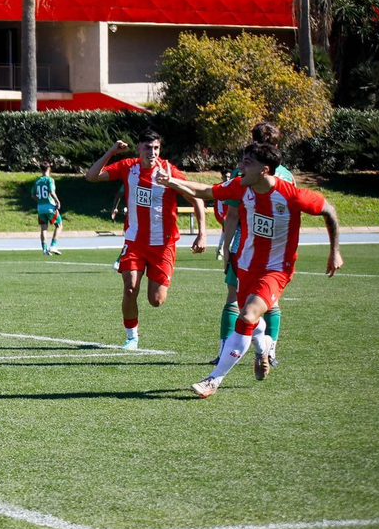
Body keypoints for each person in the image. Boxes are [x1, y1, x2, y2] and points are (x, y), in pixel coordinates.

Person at [156, 141, 342, 397]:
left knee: (246, 317)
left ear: (265, 170)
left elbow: (329, 211)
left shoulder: (292, 196)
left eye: (247, 163)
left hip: (276, 270)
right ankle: (262, 350)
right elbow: (207, 191)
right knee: (252, 322)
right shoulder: (243, 186)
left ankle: (213, 380)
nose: (240, 166)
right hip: (246, 264)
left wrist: (335, 252)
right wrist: (171, 183)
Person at [84, 131, 206, 349]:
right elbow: (91, 176)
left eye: (156, 148)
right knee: (130, 288)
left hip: (163, 244)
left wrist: (202, 233)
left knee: (156, 300)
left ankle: (153, 291)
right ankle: (132, 337)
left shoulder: (169, 171)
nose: (152, 152)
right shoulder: (128, 167)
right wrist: (112, 151)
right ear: (139, 148)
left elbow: (196, 198)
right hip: (135, 241)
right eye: (148, 147)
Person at [213, 122, 292, 363]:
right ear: (276, 147)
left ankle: (224, 352)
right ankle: (271, 350)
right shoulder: (287, 175)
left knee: (233, 297)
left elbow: (233, 214)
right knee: (271, 300)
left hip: (246, 243)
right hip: (276, 247)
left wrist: (226, 247)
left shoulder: (243, 174)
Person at [33, 161, 63, 256]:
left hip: (40, 207)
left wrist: (40, 200)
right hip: (50, 207)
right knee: (59, 225)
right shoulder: (49, 180)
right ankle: (53, 246)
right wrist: (57, 201)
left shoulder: (37, 181)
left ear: (40, 169)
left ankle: (44, 250)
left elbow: (33, 195)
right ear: (49, 169)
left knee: (43, 228)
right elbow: (52, 191)